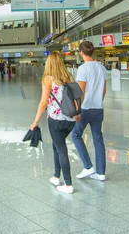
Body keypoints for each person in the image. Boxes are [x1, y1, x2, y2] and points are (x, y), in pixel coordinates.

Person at [29, 51, 77, 194]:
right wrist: (77, 112)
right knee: (57, 146)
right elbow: (76, 97)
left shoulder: (48, 79)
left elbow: (44, 102)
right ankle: (56, 176)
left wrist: (35, 121)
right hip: (70, 119)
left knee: (61, 149)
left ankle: (68, 184)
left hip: (55, 119)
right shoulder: (68, 76)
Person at [72, 40, 108, 181]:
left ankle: (88, 166)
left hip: (85, 108)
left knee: (76, 135)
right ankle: (101, 172)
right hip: (98, 108)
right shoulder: (102, 68)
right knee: (97, 138)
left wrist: (77, 109)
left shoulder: (83, 69)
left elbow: (81, 91)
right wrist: (98, 101)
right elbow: (104, 90)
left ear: (81, 52)